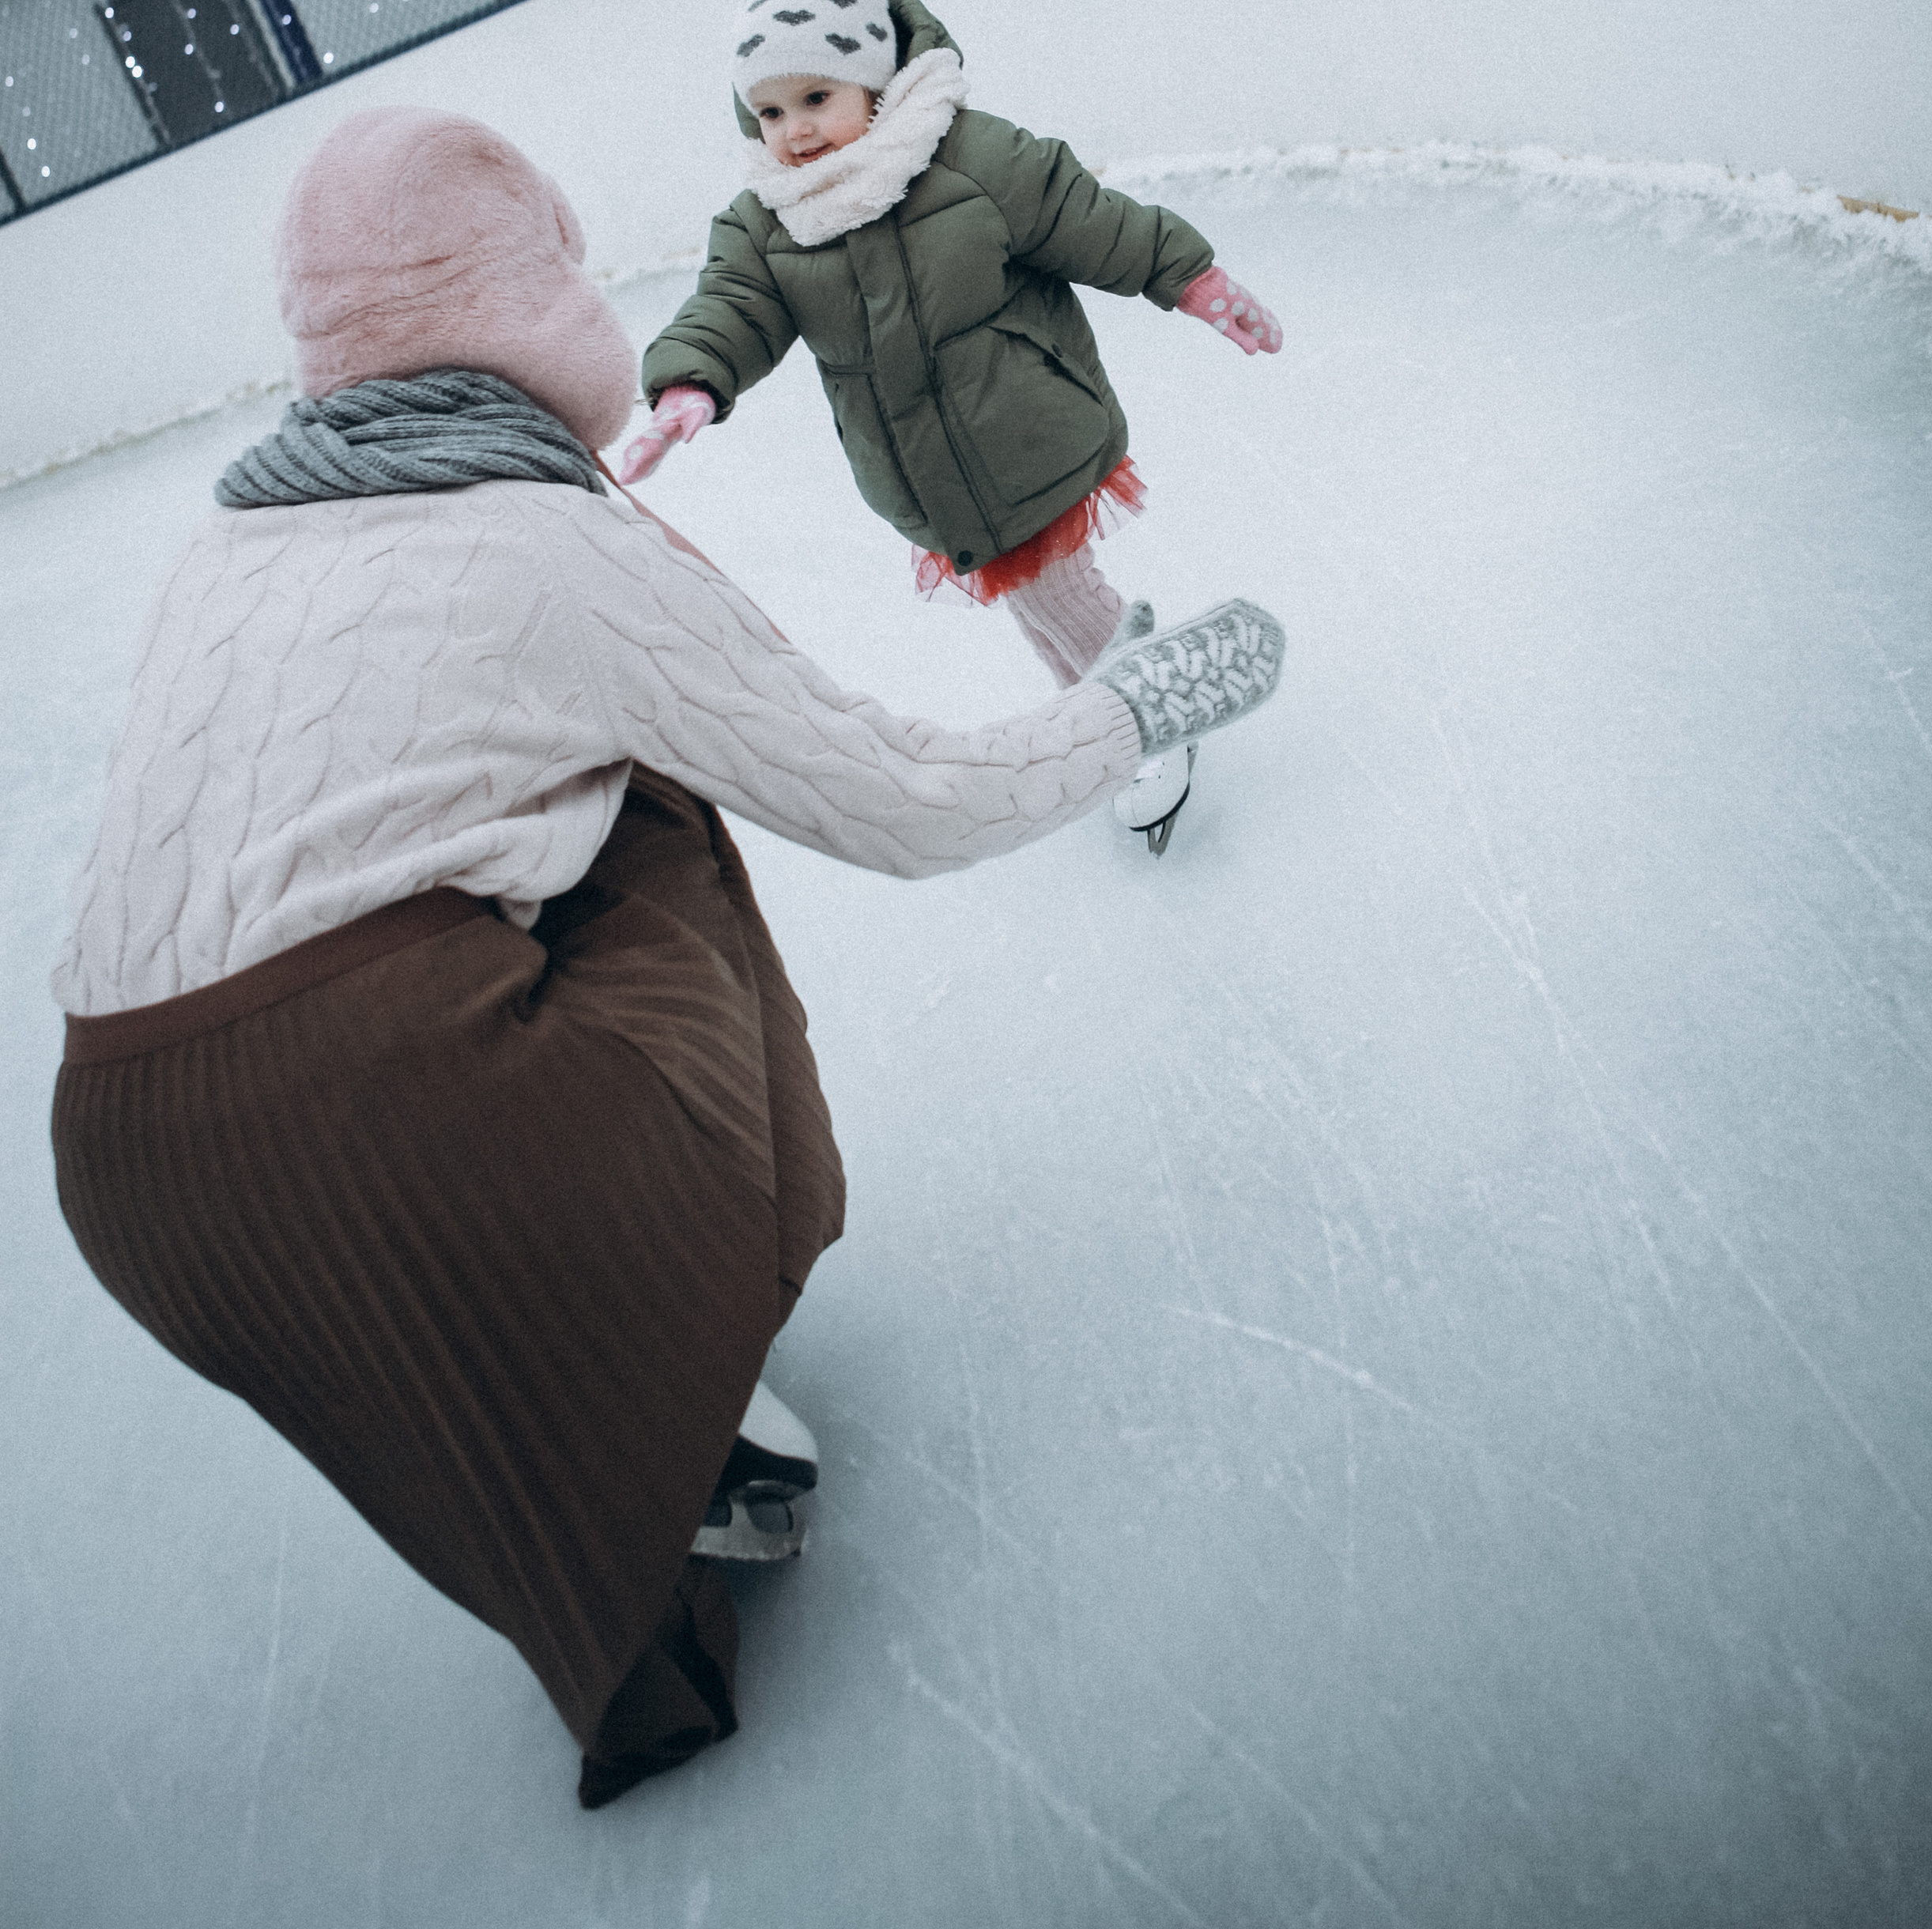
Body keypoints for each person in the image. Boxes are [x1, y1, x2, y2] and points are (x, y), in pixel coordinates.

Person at [50, 107, 1284, 1810]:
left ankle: (591, 1438)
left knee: (468, 906)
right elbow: (898, 802)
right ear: (531, 302)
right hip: (390, 1115)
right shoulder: (544, 538)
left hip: (119, 1173)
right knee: (651, 820)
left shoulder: (230, 539)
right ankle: (665, 1375)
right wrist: (1122, 710)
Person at [621, 0, 1284, 846]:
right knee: (1033, 601)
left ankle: (1142, 713)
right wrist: (691, 381)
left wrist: (1195, 282)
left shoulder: (969, 156)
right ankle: (1103, 701)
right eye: (771, 111)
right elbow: (730, 307)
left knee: (1052, 593)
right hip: (932, 477)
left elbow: (1089, 220)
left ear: (875, 81)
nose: (796, 132)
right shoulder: (767, 220)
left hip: (1027, 434)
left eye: (817, 98)